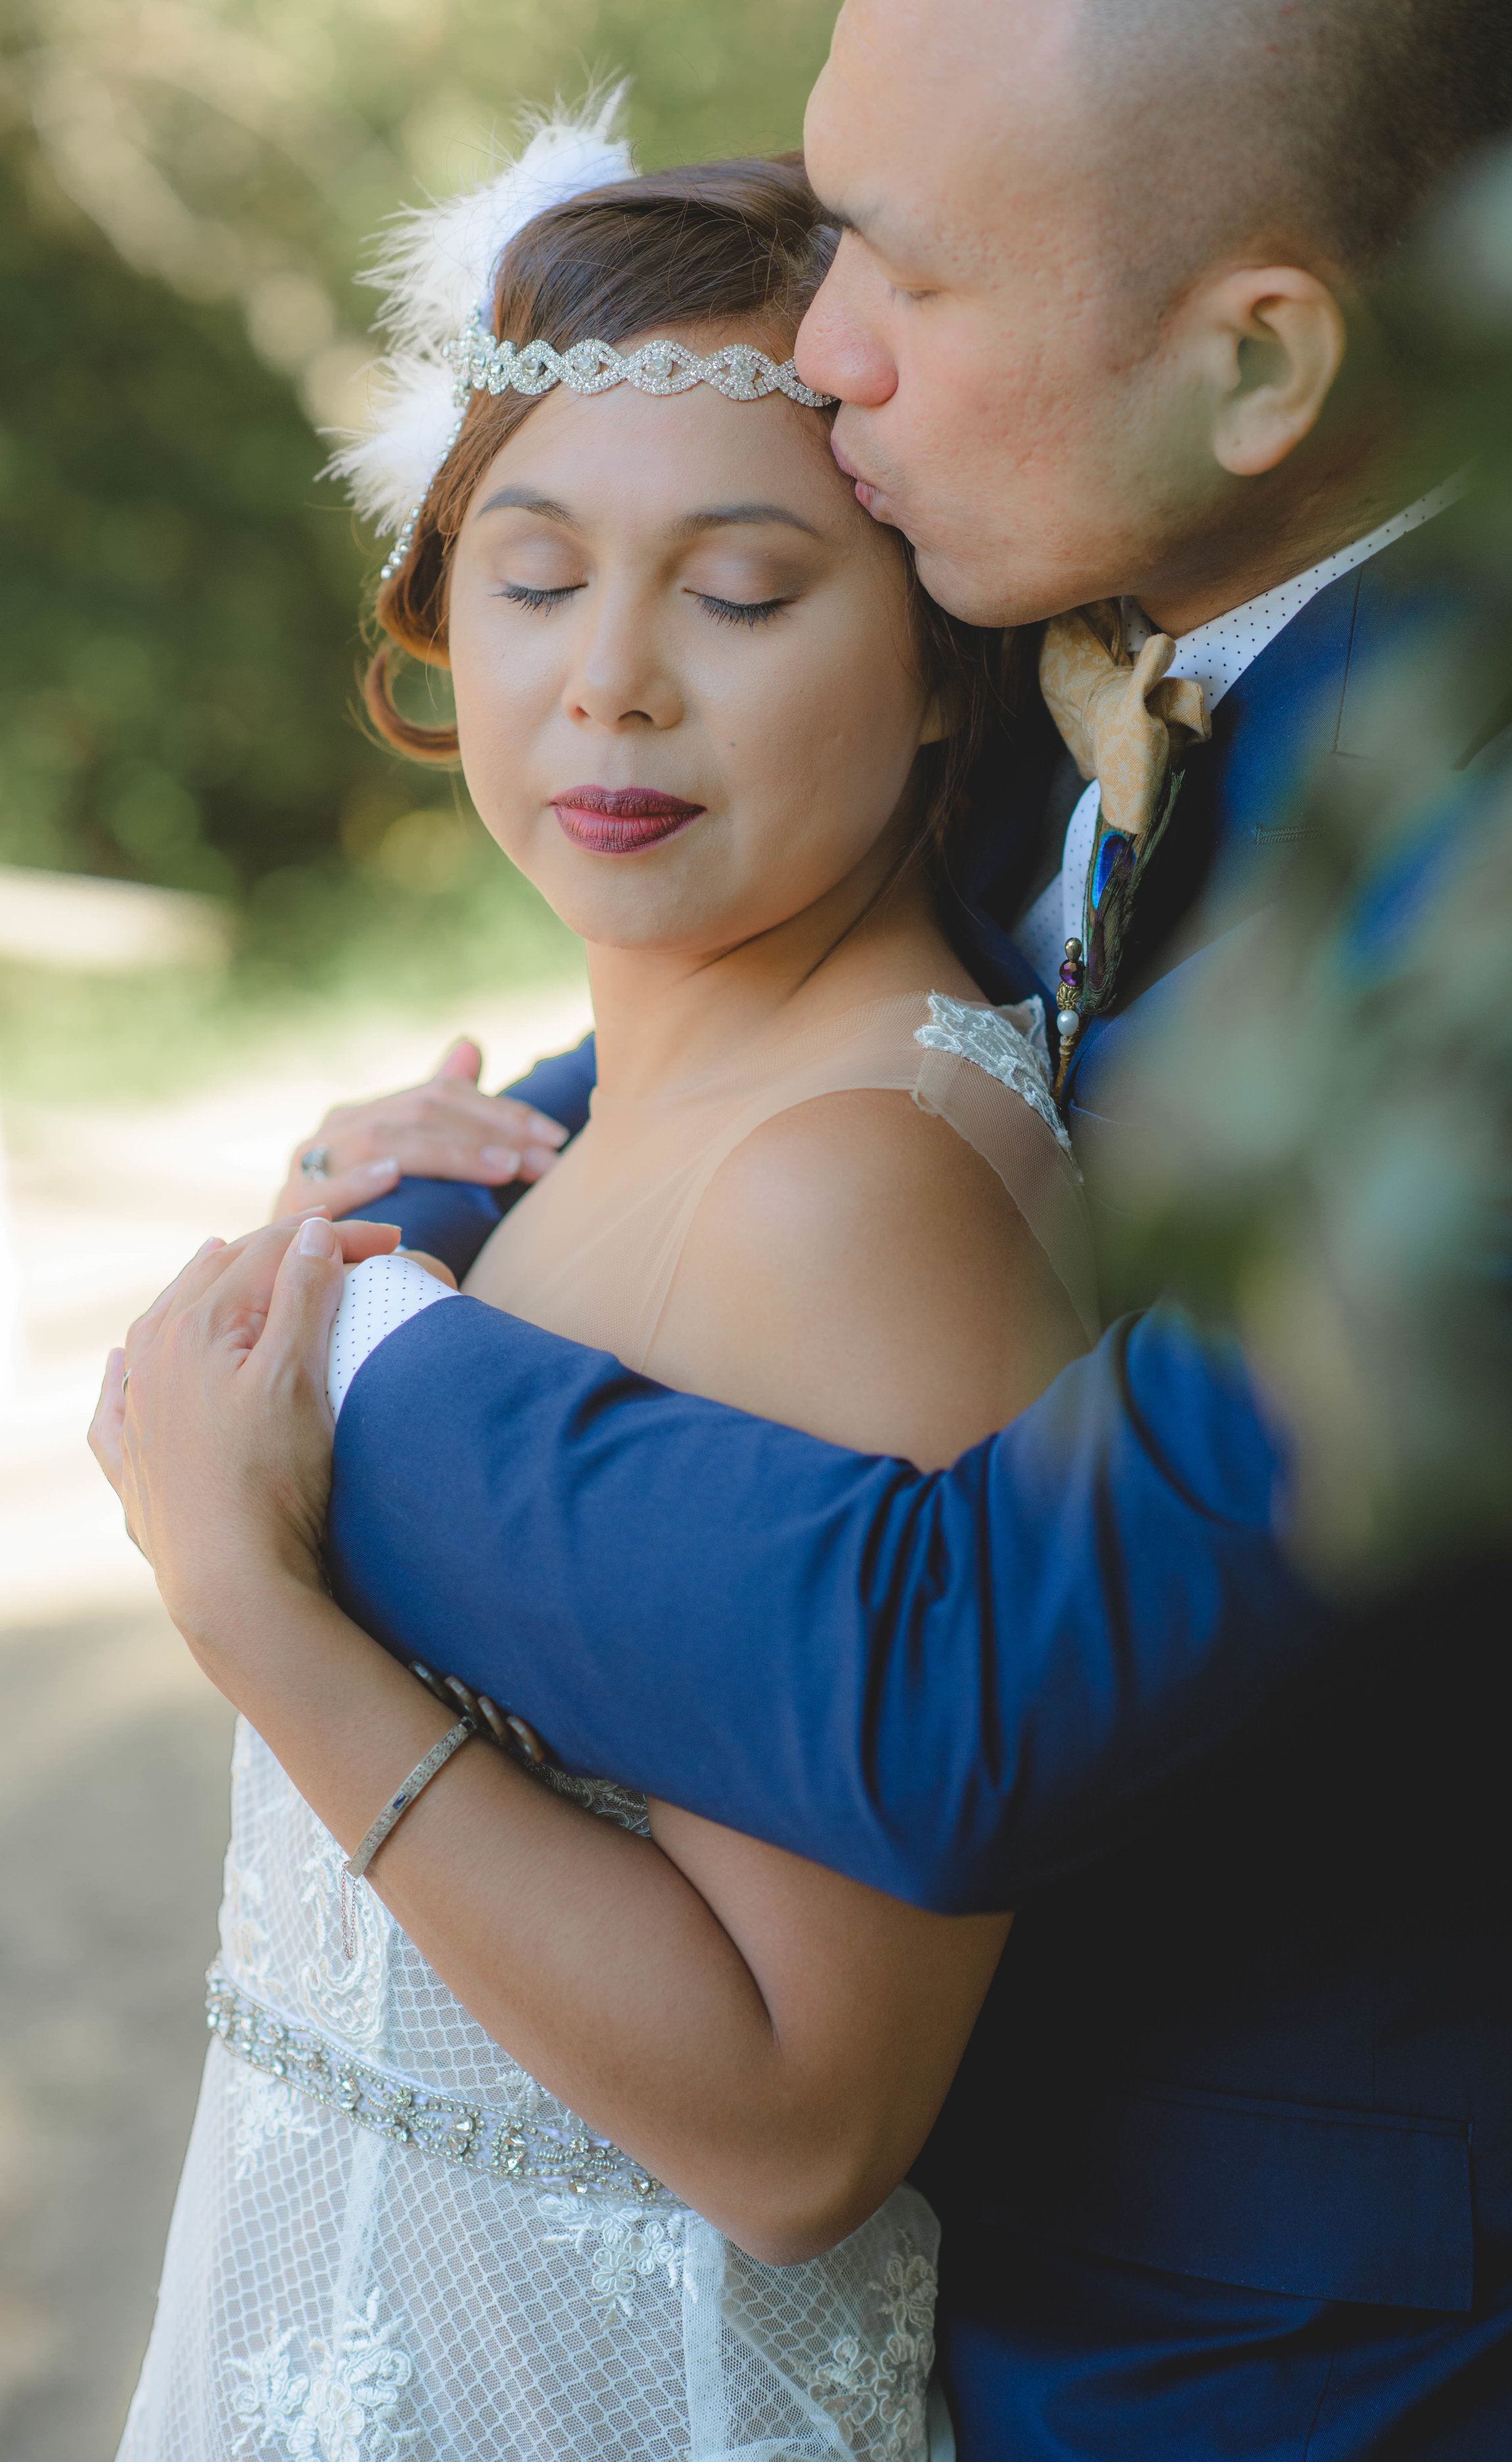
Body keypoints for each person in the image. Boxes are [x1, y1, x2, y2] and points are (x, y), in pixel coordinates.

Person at [103, 3, 1512, 2457]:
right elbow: (900, 991)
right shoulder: (1113, 594)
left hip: (1328, 2361)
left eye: (903, 280)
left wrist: (351, 1377)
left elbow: (970, 1689)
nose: (823, 353)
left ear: (1259, 358)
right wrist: (469, 1170)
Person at [99, 141, 1102, 2461]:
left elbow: (794, 2128)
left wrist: (254, 1609)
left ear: (943, 667)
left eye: (742, 596)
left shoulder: (843, 1195)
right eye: (534, 579)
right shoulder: (603, 1118)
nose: (610, 686)